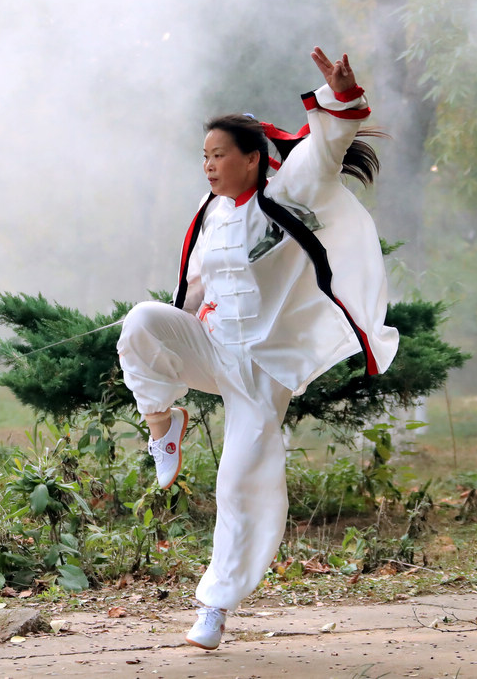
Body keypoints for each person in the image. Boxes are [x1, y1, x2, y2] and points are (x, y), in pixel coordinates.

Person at [116, 47, 399, 650]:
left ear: (252, 159)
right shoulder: (207, 211)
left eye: (219, 155)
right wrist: (179, 336)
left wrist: (339, 100)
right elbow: (191, 287)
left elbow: (325, 147)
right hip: (215, 347)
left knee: (239, 482)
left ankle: (215, 607)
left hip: (263, 370)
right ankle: (163, 423)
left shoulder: (286, 195)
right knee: (141, 322)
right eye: (204, 156)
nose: (210, 166)